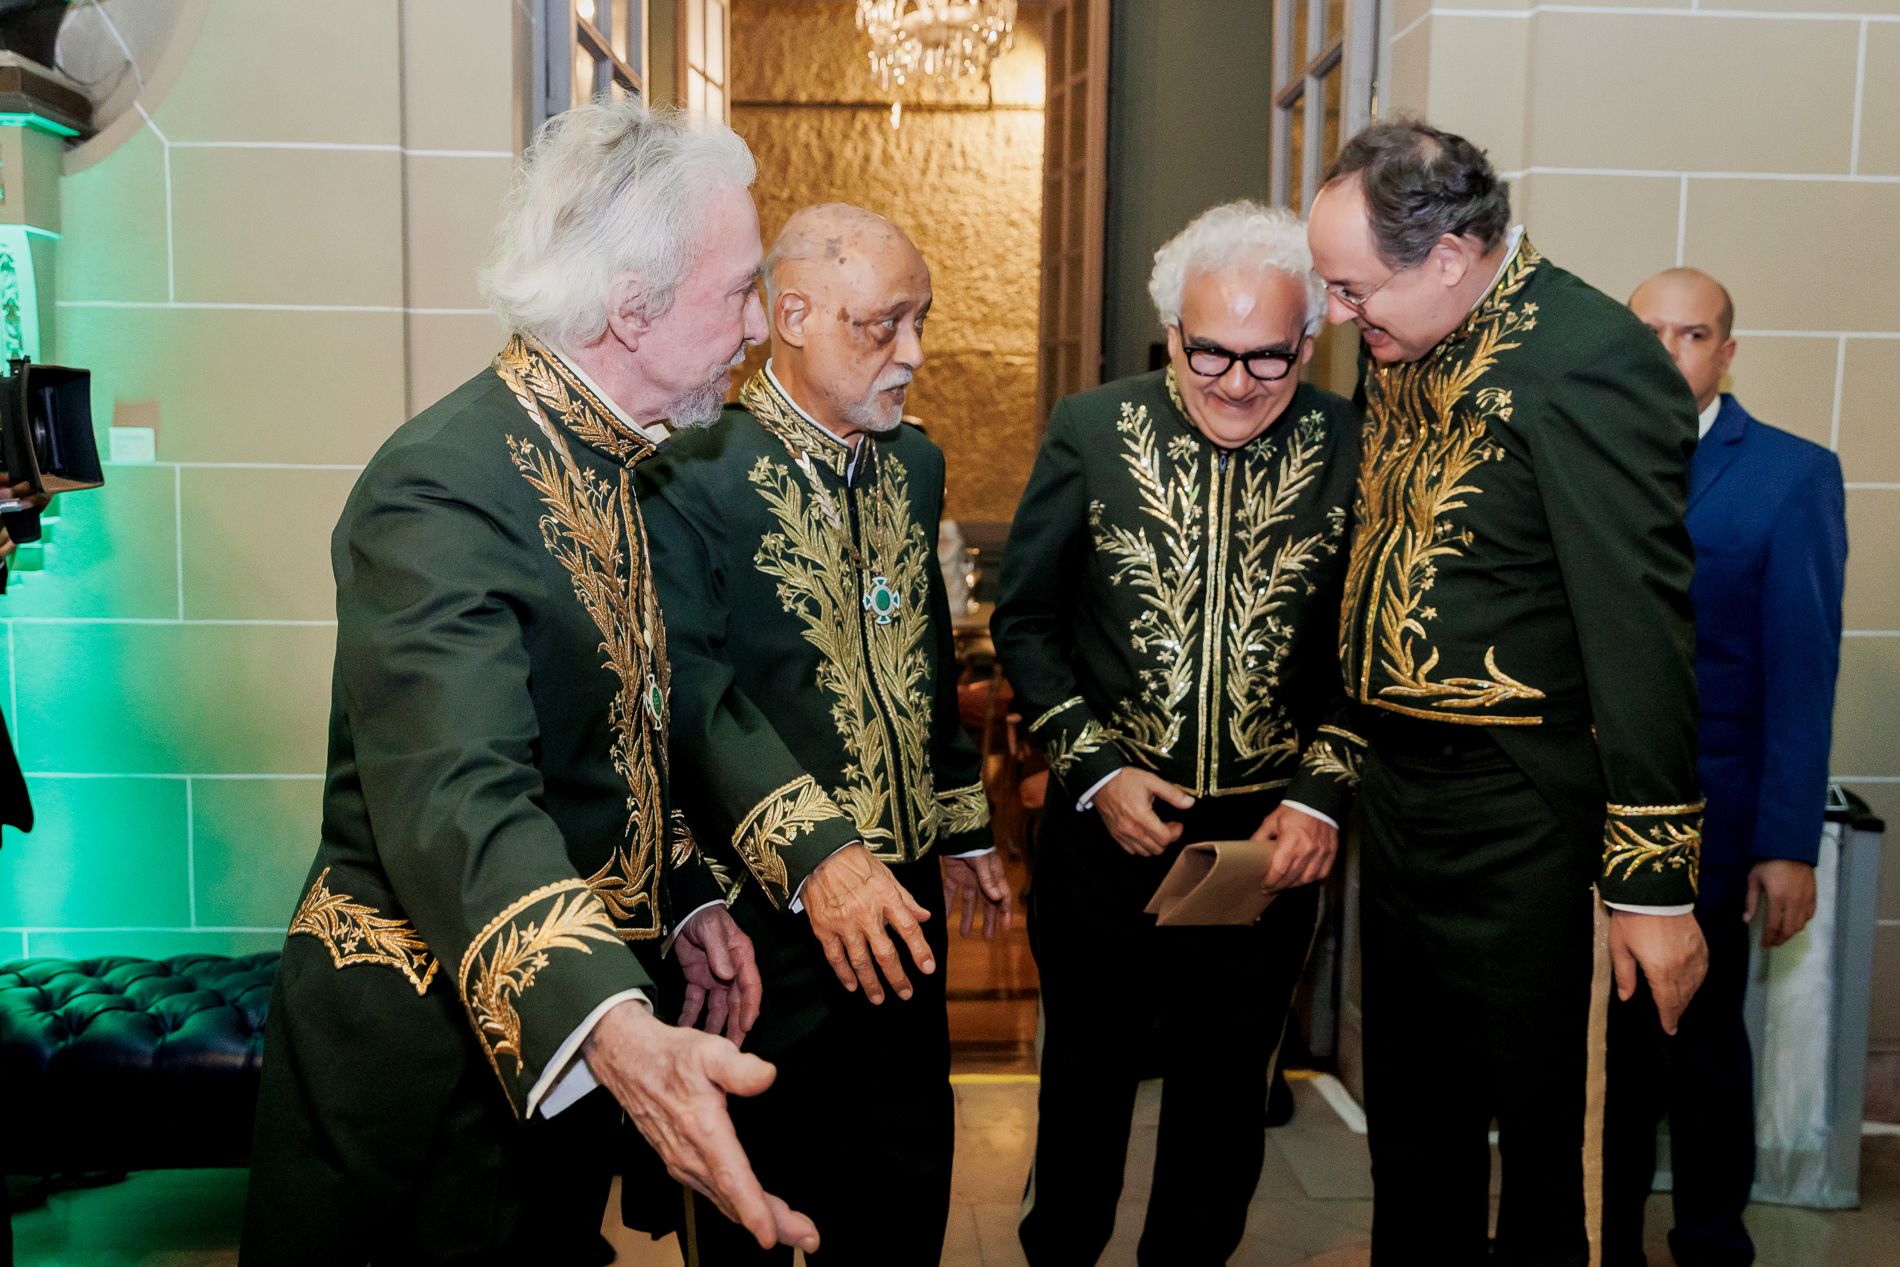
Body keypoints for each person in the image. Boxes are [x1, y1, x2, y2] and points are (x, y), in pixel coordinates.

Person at [241, 98, 819, 1264]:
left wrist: (687, 893)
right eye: (739, 291)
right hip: (424, 1078)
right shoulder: (439, 489)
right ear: (630, 307)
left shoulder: (622, 463)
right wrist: (615, 1023)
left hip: (547, 1032)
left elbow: (609, 730)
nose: (759, 326)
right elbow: (461, 797)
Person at [1306, 119, 1708, 1266]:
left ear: (1446, 254)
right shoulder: (1409, 338)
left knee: (1554, 1144)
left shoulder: (1589, 356)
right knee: (1415, 1132)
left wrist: (1651, 886)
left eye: (1352, 289)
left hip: (1531, 816)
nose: (1340, 317)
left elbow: (1639, 626)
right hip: (1405, 802)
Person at [993, 200, 1367, 1266]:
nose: (1238, 383)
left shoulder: (1355, 445)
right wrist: (1093, 765)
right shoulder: (1090, 429)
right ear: (1171, 335)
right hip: (1106, 825)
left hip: (1263, 842)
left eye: (1269, 358)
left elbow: (1373, 649)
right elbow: (1025, 619)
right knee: (1084, 1085)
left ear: (1309, 340)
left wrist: (1320, 791)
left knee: (1222, 1091)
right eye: (1211, 353)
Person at [637, 202, 1008, 1265]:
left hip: (904, 910)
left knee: (904, 1184)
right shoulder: (687, 471)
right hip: (763, 929)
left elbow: (924, 656)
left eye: (921, 321)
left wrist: (965, 823)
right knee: (773, 1206)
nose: (914, 354)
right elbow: (687, 692)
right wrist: (812, 856)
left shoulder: (912, 464)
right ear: (789, 313)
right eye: (882, 325)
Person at [1606, 268, 1848, 1267]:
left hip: (1710, 827)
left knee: (1698, 1050)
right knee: (1600, 1061)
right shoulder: (1579, 459)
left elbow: (1803, 670)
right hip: (1580, 818)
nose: (1669, 353)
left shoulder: (1790, 474)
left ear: (1727, 352)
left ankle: (1710, 1241)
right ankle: (1596, 1237)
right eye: (1648, 334)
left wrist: (1786, 844)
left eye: (1692, 334)